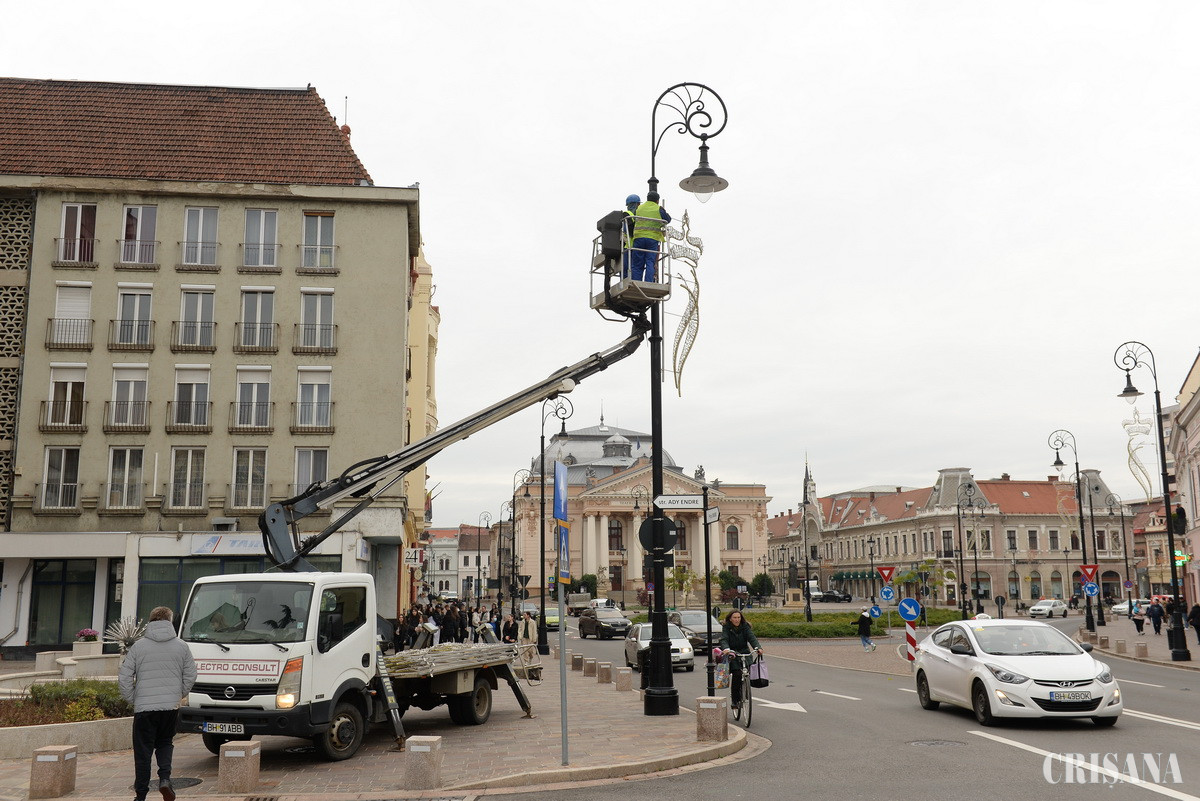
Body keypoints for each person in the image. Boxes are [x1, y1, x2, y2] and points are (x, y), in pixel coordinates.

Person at [118, 606, 197, 801]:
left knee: (143, 752)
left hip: (144, 708)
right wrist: (178, 694)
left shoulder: (138, 647)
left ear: (150, 621)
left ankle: (141, 795)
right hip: (170, 707)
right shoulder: (182, 646)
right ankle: (165, 779)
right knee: (165, 743)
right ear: (170, 621)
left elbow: (124, 676)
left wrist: (133, 698)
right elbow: (191, 674)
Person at [718, 610, 762, 709]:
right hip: (732, 653)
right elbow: (724, 639)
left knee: (748, 670)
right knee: (737, 674)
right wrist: (726, 649)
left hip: (745, 652)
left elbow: (752, 638)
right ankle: (735, 700)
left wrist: (758, 648)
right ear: (730, 619)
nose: (737, 620)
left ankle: (745, 689)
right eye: (735, 618)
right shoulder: (727, 628)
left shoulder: (745, 626)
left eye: (738, 617)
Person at [629, 191, 671, 282]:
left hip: (638, 238)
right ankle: (648, 282)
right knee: (650, 262)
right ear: (657, 200)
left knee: (637, 263)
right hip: (652, 239)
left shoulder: (639, 208)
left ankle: (636, 282)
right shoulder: (658, 209)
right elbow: (668, 219)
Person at [621, 193, 640, 275]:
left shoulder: (636, 215)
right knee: (630, 267)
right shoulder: (627, 214)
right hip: (631, 245)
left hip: (633, 245)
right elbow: (629, 230)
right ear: (636, 204)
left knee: (630, 268)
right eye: (638, 204)